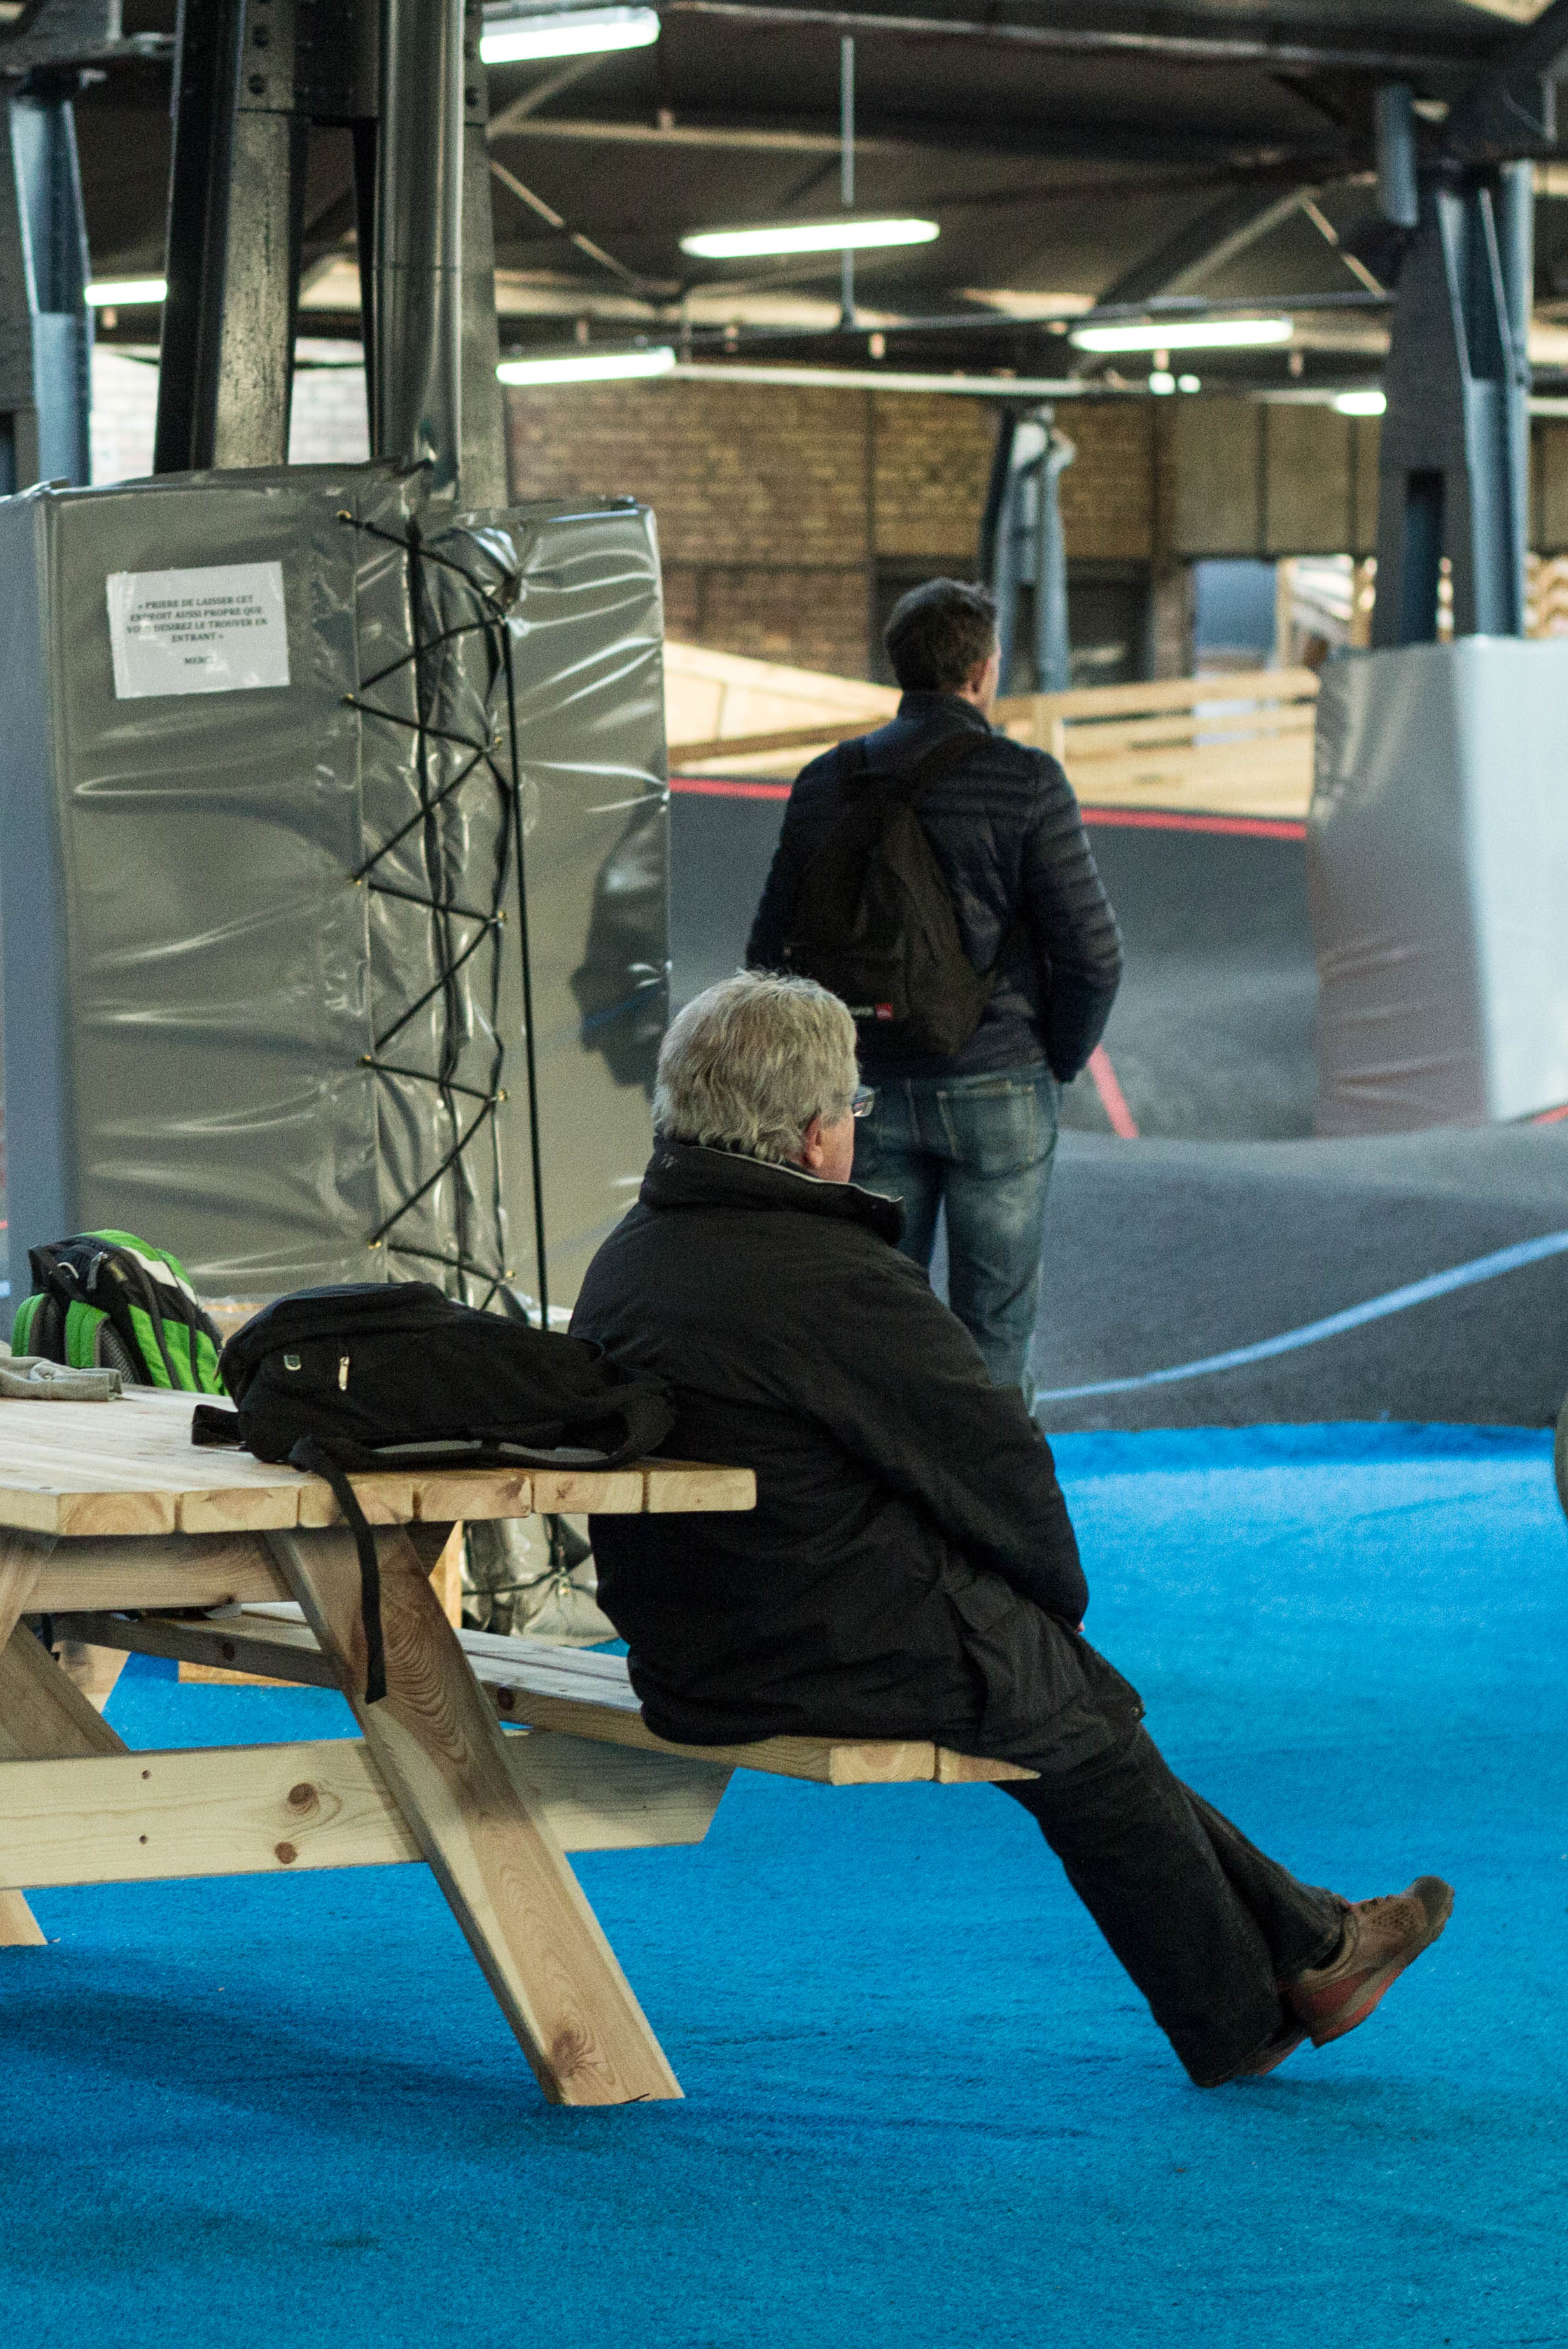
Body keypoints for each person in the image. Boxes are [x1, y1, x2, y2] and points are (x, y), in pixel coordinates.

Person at [573, 971, 1452, 2088]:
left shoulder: (629, 1255)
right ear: (808, 1138)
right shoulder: (835, 1279)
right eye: (851, 1113)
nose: (853, 1132)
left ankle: (1315, 1946)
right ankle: (1247, 2012)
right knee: (1074, 1706)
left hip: (688, 1643)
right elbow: (1002, 1474)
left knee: (1066, 1699)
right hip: (804, 1643)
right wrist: (1051, 1604)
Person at [746, 577, 1120, 1399]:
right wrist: (1050, 1060)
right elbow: (1094, 955)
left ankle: (889, 1506)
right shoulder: (1025, 782)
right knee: (994, 1329)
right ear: (983, 671)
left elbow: (769, 951)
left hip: (862, 1094)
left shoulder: (825, 782)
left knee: (878, 1326)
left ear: (899, 667)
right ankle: (986, 1507)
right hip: (1000, 1080)